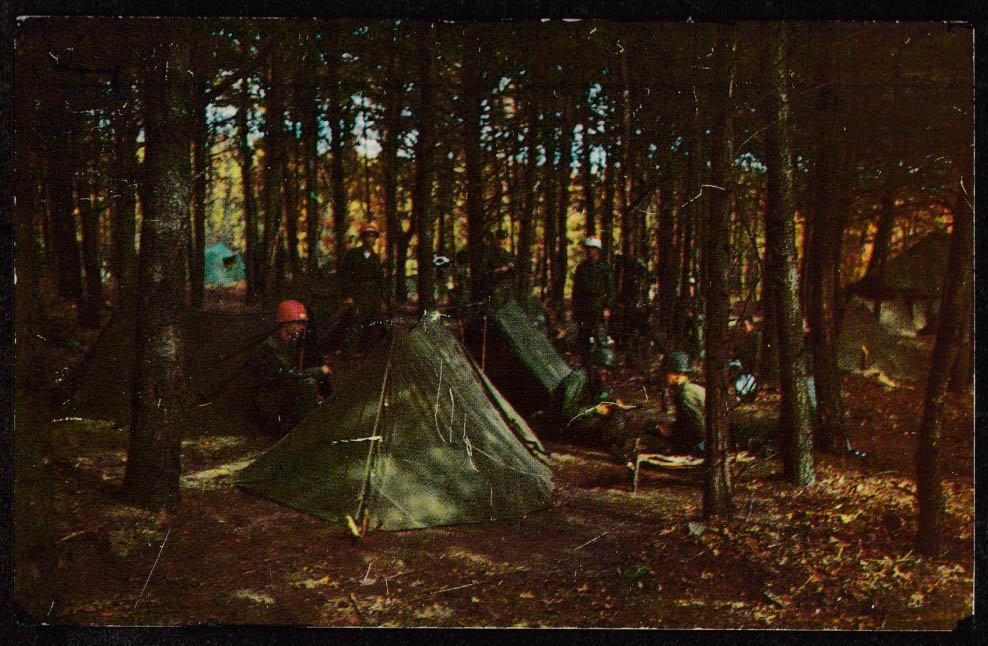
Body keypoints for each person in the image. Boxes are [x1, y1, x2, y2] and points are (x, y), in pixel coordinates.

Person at [246, 300, 332, 435]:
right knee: (309, 384)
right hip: (267, 397)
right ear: (285, 323)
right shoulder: (272, 346)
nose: (301, 327)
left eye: (303, 323)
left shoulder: (288, 343)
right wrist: (319, 371)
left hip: (279, 391)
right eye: (297, 323)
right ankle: (295, 430)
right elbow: (288, 376)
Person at [339, 223, 385, 358]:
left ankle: (368, 352)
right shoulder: (353, 255)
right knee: (355, 320)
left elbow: (380, 279)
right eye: (367, 236)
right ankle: (349, 352)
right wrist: (348, 295)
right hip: (357, 291)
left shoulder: (376, 258)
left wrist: (382, 299)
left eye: (372, 237)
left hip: (373, 293)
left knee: (374, 321)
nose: (370, 239)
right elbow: (345, 277)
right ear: (362, 238)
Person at [571, 237, 615, 364]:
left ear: (597, 251)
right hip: (584, 308)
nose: (589, 252)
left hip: (599, 307)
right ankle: (585, 368)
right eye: (588, 249)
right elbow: (576, 291)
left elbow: (611, 291)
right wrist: (576, 309)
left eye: (592, 249)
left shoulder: (604, 269)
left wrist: (607, 307)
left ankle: (604, 367)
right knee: (584, 341)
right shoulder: (581, 268)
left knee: (601, 340)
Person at [657, 350, 706, 456]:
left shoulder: (686, 396)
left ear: (679, 374)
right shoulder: (685, 390)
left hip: (704, 445)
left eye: (667, 372)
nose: (663, 376)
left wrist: (674, 436)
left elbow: (699, 431)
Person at [477, 230, 515, 308]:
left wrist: (511, 268)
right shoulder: (488, 254)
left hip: (505, 290)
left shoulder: (508, 255)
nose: (502, 241)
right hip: (491, 289)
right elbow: (484, 273)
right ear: (495, 240)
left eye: (504, 239)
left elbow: (513, 273)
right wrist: (499, 270)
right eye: (499, 239)